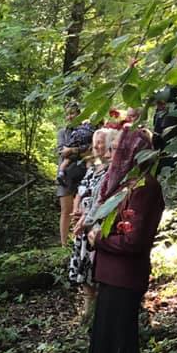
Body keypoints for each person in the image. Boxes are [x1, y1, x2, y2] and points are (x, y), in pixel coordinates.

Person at [85, 126, 164, 353]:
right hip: (110, 276)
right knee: (108, 341)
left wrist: (98, 238)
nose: (111, 152)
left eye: (118, 147)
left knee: (121, 345)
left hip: (125, 278)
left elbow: (133, 241)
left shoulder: (144, 187)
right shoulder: (123, 184)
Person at [68, 129, 113, 316]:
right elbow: (80, 191)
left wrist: (87, 216)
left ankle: (100, 309)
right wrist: (76, 209)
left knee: (97, 266)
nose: (96, 146)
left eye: (100, 142)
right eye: (95, 142)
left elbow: (103, 199)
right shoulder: (92, 167)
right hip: (83, 224)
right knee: (84, 265)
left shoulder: (113, 170)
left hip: (97, 224)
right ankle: (87, 309)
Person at [57, 102, 93, 245]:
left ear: (79, 113)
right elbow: (61, 151)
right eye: (67, 113)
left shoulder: (87, 130)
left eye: (72, 113)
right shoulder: (62, 133)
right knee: (66, 210)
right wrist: (78, 151)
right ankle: (64, 244)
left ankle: (80, 239)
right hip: (65, 174)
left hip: (83, 173)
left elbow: (90, 150)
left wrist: (72, 151)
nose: (69, 116)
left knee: (82, 207)